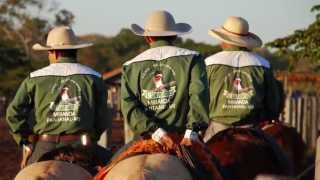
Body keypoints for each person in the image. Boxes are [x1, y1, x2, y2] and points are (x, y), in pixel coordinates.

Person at [6, 26, 111, 168]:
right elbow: (103, 117)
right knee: (115, 166)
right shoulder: (94, 77)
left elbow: (13, 114)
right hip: (83, 146)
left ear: (54, 52)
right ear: (75, 50)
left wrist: (26, 141)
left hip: (45, 146)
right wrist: (93, 137)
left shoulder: (34, 79)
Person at [121, 10, 209, 151]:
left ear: (148, 37)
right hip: (183, 139)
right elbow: (198, 95)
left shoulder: (130, 66)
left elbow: (129, 106)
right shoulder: (193, 58)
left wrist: (157, 133)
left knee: (108, 168)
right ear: (174, 36)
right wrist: (191, 132)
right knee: (216, 171)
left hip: (148, 138)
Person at [203, 16, 283, 142]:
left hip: (217, 128)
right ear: (246, 41)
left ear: (224, 41)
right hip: (251, 128)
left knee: (194, 159)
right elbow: (273, 105)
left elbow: (199, 98)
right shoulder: (263, 64)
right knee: (279, 157)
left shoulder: (208, 63)